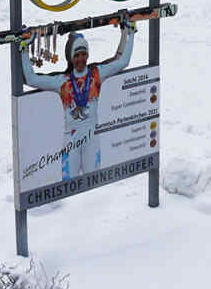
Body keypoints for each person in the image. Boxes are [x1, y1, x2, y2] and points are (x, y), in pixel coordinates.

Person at [22, 13, 136, 181]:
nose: (81, 59)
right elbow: (30, 79)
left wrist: (129, 33)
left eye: (83, 54)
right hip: (71, 139)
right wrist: (24, 49)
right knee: (68, 183)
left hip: (92, 136)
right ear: (71, 58)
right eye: (76, 55)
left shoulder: (97, 73)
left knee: (93, 181)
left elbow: (122, 61)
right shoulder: (62, 81)